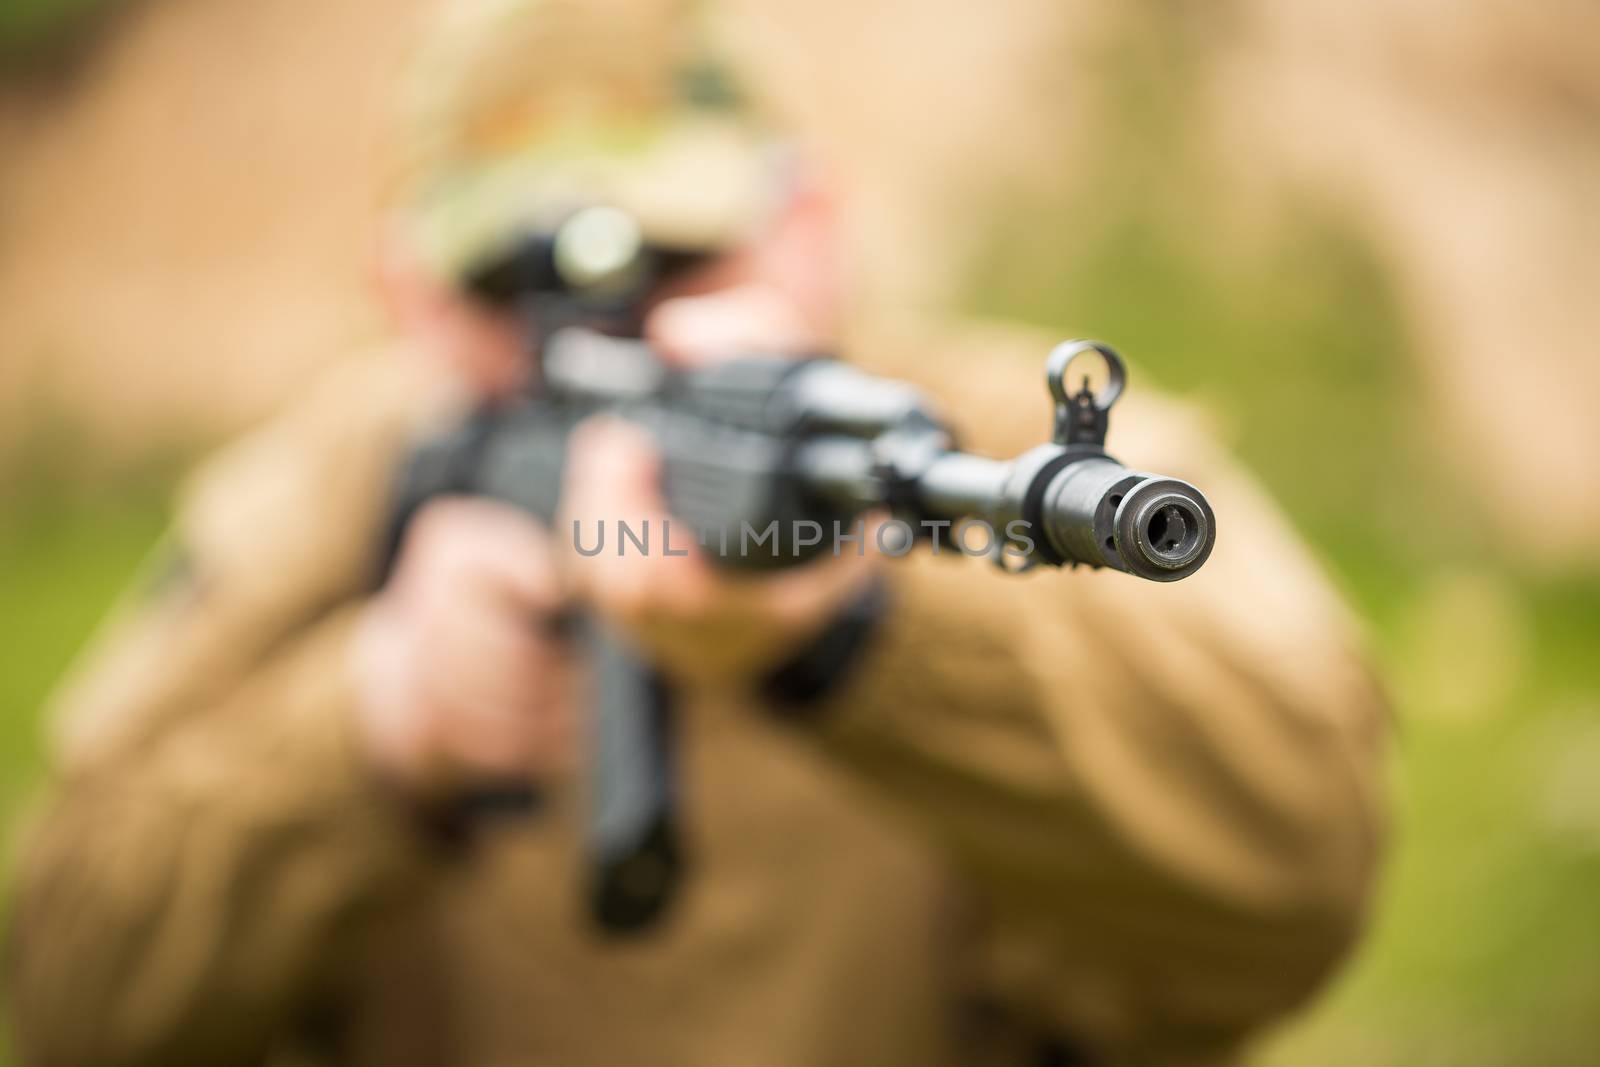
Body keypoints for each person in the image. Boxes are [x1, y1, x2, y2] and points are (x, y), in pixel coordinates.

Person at [3, 1, 1387, 1064]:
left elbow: (1300, 885)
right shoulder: (333, 498)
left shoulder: (968, 447)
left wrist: (863, 630)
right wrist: (373, 730)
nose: (613, 335)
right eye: (517, 287)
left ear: (812, 228)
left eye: (684, 258)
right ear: (410, 292)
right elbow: (57, 1000)